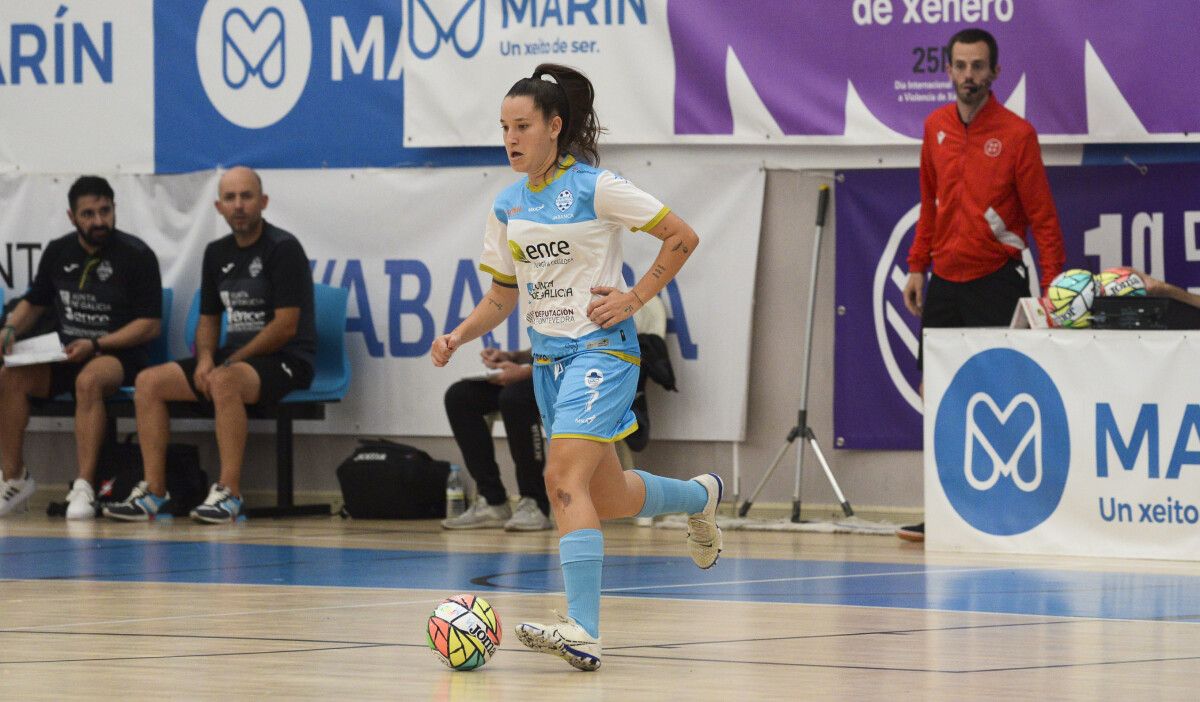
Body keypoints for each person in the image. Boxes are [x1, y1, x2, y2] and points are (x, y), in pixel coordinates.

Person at [430, 63, 722, 671]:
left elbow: (682, 237)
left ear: (554, 127)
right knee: (606, 496)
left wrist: (634, 297)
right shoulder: (508, 204)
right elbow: (503, 297)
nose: (510, 138)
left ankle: (583, 629)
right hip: (549, 362)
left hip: (604, 352)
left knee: (560, 480)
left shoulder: (596, 186)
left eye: (522, 126)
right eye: (503, 127)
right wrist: (459, 334)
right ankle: (699, 497)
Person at [899, 28, 1066, 543]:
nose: (969, 76)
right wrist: (916, 264)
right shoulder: (934, 127)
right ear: (947, 69)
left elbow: (1044, 220)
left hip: (998, 280)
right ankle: (946, 510)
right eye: (961, 66)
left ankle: (1013, 511)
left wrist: (1054, 292)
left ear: (995, 73)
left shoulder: (1018, 135)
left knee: (1002, 394)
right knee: (939, 395)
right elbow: (930, 205)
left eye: (978, 67)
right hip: (944, 283)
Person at [104, 167, 315, 524]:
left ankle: (230, 493)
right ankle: (154, 491)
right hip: (233, 359)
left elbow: (285, 326)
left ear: (263, 202)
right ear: (218, 207)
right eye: (230, 198)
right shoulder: (216, 253)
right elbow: (209, 320)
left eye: (246, 197)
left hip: (286, 359)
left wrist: (228, 362)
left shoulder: (284, 248)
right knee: (148, 382)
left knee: (224, 380)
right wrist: (204, 359)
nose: (238, 206)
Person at [0, 176, 162, 519]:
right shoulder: (58, 251)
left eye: (105, 211)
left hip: (116, 354)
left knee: (88, 381)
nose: (98, 221)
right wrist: (11, 329)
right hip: (65, 350)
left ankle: (84, 486)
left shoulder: (138, 255)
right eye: (88, 214)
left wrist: (97, 343)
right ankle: (14, 477)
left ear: (115, 210)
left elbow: (149, 325)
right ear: (72, 218)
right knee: (11, 376)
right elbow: (35, 302)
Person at [442, 346, 553, 531]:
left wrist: (526, 372)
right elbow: (545, 345)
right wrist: (513, 356)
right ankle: (492, 500)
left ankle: (535, 502)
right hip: (537, 370)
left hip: (571, 377)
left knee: (515, 397)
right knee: (459, 396)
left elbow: (579, 349)